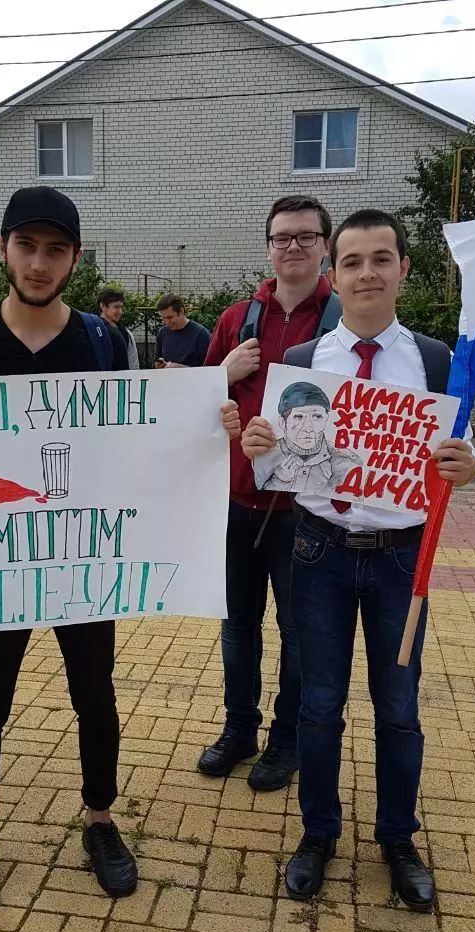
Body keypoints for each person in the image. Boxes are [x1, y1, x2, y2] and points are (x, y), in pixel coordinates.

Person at [0, 185, 238, 921]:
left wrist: (204, 423)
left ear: (75, 258)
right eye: (26, 246)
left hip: (83, 560)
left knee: (95, 696)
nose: (38, 263)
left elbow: (138, 440)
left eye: (55, 249)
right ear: (1, 248)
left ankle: (100, 820)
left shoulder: (105, 341)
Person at [240, 209, 475, 909]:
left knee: (398, 708)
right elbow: (280, 464)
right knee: (319, 705)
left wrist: (468, 463)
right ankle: (318, 833)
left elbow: (459, 449)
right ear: (333, 274)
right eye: (352, 262)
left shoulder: (437, 361)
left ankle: (398, 838)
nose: (367, 273)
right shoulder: (307, 363)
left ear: (404, 268)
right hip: (319, 552)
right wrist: (261, 449)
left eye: (381, 259)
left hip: (404, 560)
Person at [198, 195, 338, 792]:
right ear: (268, 247)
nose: (294, 247)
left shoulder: (342, 323)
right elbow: (197, 410)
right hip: (237, 503)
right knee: (237, 626)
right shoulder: (236, 320)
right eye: (283, 237)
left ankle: (287, 739)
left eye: (306, 237)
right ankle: (239, 728)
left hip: (307, 510)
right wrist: (221, 380)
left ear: (325, 245)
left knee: (299, 633)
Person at [154, 294, 210, 367]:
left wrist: (181, 369)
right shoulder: (162, 333)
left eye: (170, 317)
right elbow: (156, 361)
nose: (166, 322)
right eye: (163, 318)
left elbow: (208, 369)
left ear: (181, 312)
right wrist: (158, 365)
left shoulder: (201, 334)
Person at [97, 287, 139, 369]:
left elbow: (133, 363)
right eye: (116, 307)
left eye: (121, 307)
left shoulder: (125, 332)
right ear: (102, 306)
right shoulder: (93, 330)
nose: (120, 311)